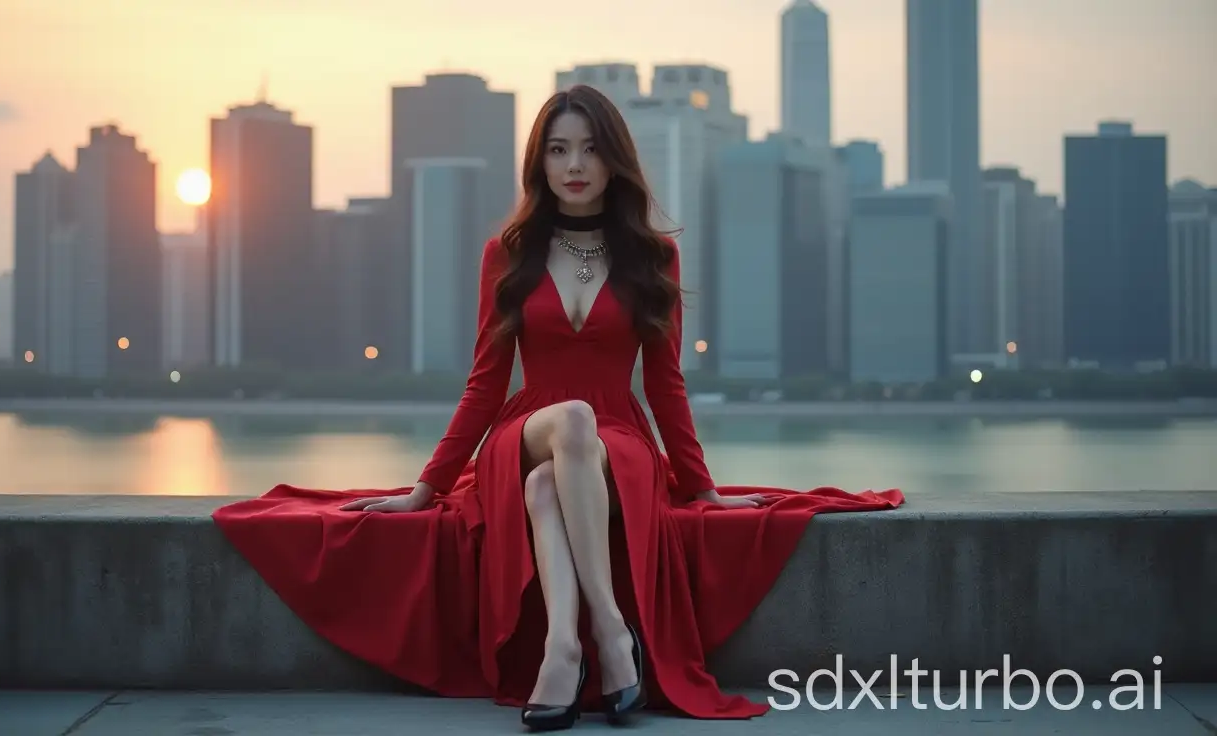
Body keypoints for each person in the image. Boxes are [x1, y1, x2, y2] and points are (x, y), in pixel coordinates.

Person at [212, 84, 903, 731]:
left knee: (549, 482)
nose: (575, 165)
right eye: (558, 149)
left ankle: (563, 650)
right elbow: (486, 383)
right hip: (530, 426)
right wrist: (428, 487)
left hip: (620, 442)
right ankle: (611, 630)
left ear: (614, 161)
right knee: (565, 423)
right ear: (538, 161)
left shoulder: (654, 257)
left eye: (590, 149)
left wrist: (701, 487)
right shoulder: (507, 255)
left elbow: (664, 385)